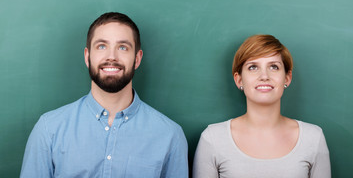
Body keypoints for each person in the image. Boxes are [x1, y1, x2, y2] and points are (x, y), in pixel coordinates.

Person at [21, 12, 188, 178]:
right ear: (87, 56)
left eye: (123, 47)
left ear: (137, 59)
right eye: (102, 46)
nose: (111, 57)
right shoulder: (49, 130)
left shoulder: (170, 136)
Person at [193, 34, 331, 178]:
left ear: (287, 78)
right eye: (253, 67)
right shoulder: (213, 139)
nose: (264, 76)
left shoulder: (313, 138)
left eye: (274, 67)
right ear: (239, 79)